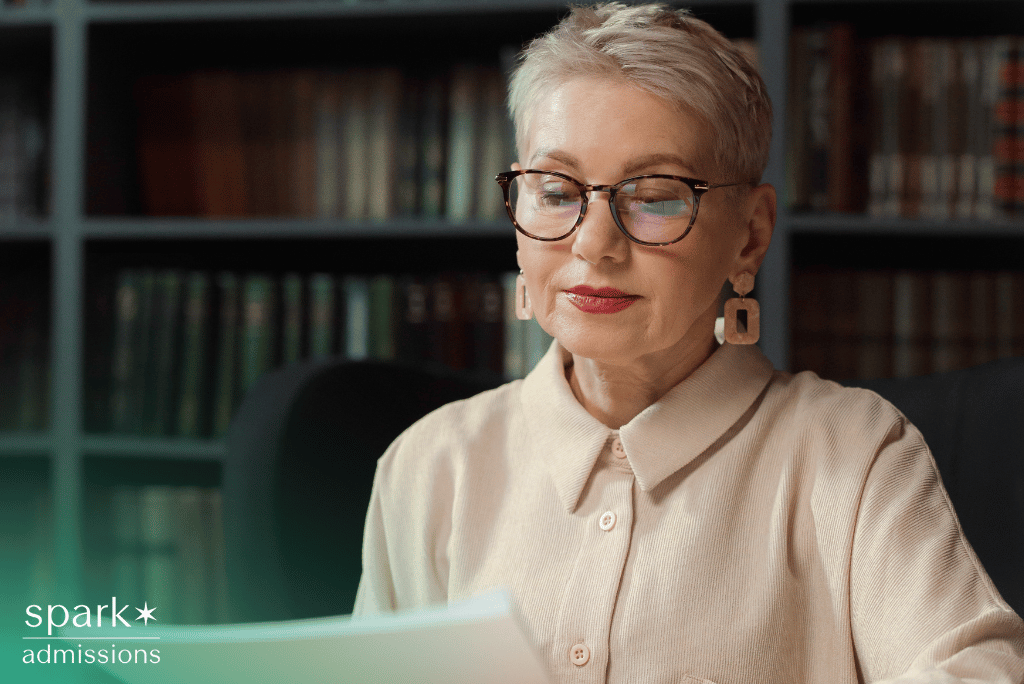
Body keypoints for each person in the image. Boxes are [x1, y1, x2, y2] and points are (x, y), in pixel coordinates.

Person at [353, 3, 1024, 682]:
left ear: (751, 236)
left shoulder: (851, 451)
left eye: (657, 197)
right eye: (557, 191)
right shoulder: (428, 467)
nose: (594, 244)